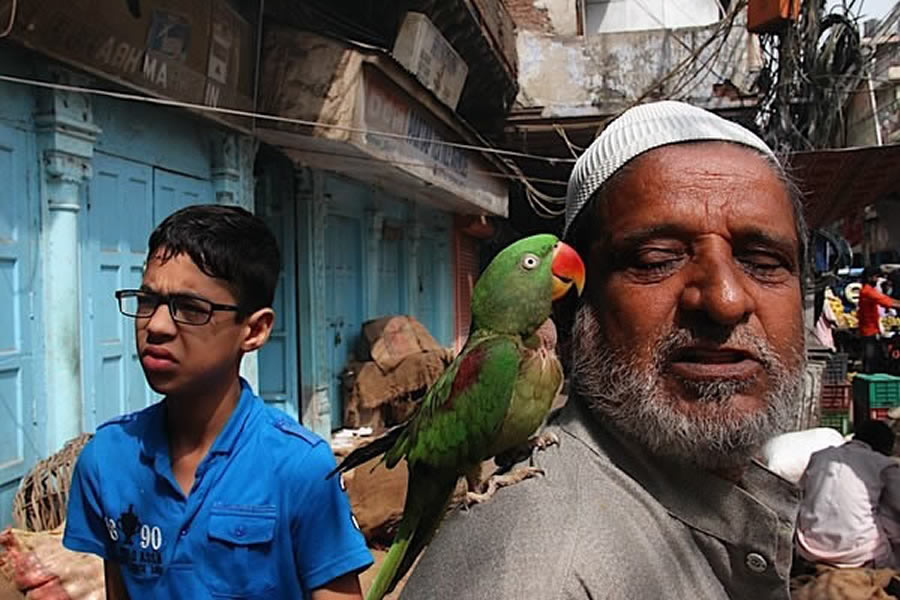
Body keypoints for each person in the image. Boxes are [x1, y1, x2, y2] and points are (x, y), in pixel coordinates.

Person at [400, 101, 807, 599]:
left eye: (764, 261)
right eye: (657, 259)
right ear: (578, 308)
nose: (724, 299)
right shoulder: (536, 579)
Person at [63, 205, 373, 599]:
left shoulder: (297, 467)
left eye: (190, 308)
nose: (156, 326)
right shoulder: (108, 459)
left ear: (255, 330)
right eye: (147, 300)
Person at [795, 420, 900, 569]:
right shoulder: (881, 463)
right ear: (885, 447)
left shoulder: (820, 456)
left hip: (808, 550)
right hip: (860, 555)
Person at [858, 266, 900, 373]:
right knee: (871, 360)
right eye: (876, 277)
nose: (877, 280)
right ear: (869, 277)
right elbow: (885, 301)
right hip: (869, 330)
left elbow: (886, 300)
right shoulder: (867, 291)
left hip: (871, 328)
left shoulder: (867, 290)